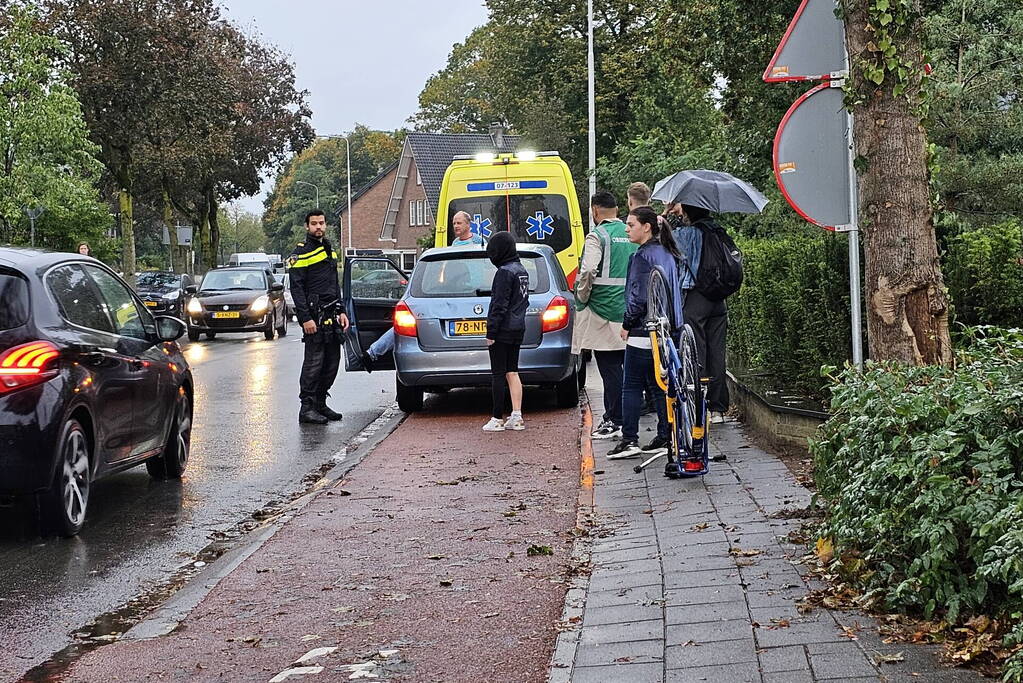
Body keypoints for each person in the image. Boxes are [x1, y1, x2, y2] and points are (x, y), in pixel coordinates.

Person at [607, 206, 684, 460]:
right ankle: (666, 434)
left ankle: (629, 439)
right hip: (668, 329)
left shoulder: (641, 257)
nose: (627, 229)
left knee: (631, 386)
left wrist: (627, 323)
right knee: (658, 385)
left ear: (646, 227)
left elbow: (638, 297)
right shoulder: (668, 253)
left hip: (644, 329)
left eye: (631, 225)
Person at [362, 211, 482, 371]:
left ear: (469, 224)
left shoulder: (480, 242)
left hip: (477, 291)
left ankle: (373, 352)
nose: (455, 226)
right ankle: (372, 353)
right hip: (454, 291)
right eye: (454, 223)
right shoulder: (454, 245)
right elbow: (447, 272)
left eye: (459, 223)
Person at [572, 191, 638, 440]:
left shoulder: (597, 235)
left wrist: (582, 296)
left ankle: (615, 418)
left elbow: (588, 269)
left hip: (602, 309)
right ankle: (624, 417)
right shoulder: (631, 232)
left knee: (609, 369)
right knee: (626, 367)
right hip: (628, 308)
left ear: (595, 211)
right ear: (617, 210)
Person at [669, 203, 729, 424]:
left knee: (696, 350)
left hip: (696, 296)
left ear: (687, 212)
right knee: (717, 352)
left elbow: (664, 240)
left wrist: (667, 214)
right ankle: (718, 409)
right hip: (718, 298)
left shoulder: (686, 234)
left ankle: (698, 403)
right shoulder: (718, 230)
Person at [290, 209, 350, 424]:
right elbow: (296, 288)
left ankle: (320, 404)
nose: (318, 227)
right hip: (314, 316)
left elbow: (335, 285)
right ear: (307, 226)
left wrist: (342, 310)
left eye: (321, 223)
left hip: (331, 314)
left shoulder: (330, 251)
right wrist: (305, 318)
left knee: (332, 362)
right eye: (314, 223)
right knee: (314, 363)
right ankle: (306, 408)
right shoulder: (301, 253)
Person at [481, 231, 529, 432]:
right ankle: (516, 415)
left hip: (502, 329)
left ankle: (496, 417)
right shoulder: (521, 270)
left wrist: (491, 332)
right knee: (512, 371)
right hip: (518, 327)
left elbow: (498, 304)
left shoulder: (504, 272)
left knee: (498, 374)